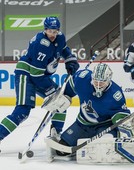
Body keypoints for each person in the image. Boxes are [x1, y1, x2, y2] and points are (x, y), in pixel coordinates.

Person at [0, 16, 79, 145]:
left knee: (61, 102)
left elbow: (64, 49)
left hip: (39, 76)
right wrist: (51, 90)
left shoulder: (60, 37)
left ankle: (55, 135)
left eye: (55, 31)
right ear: (45, 29)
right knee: (22, 111)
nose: (53, 34)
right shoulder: (40, 45)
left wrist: (70, 60)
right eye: (50, 31)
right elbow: (36, 75)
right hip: (26, 75)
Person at [44, 63, 134, 153]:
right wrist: (60, 98)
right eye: (96, 81)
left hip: (104, 127)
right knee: (61, 150)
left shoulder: (115, 94)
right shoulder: (82, 78)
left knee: (105, 148)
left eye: (102, 82)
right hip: (82, 124)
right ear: (92, 78)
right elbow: (68, 90)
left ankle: (111, 138)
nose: (98, 85)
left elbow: (120, 115)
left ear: (109, 79)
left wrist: (124, 128)